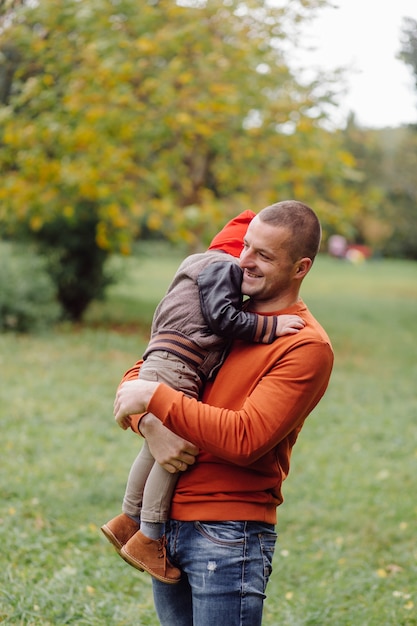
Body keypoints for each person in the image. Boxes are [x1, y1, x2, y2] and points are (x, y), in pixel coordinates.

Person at [112, 200, 334, 626]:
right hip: (164, 525)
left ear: (300, 268)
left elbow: (244, 438)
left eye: (263, 255)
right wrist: (152, 427)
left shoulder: (304, 345)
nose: (244, 261)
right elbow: (142, 375)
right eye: (246, 246)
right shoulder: (224, 312)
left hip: (228, 534)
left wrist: (153, 402)